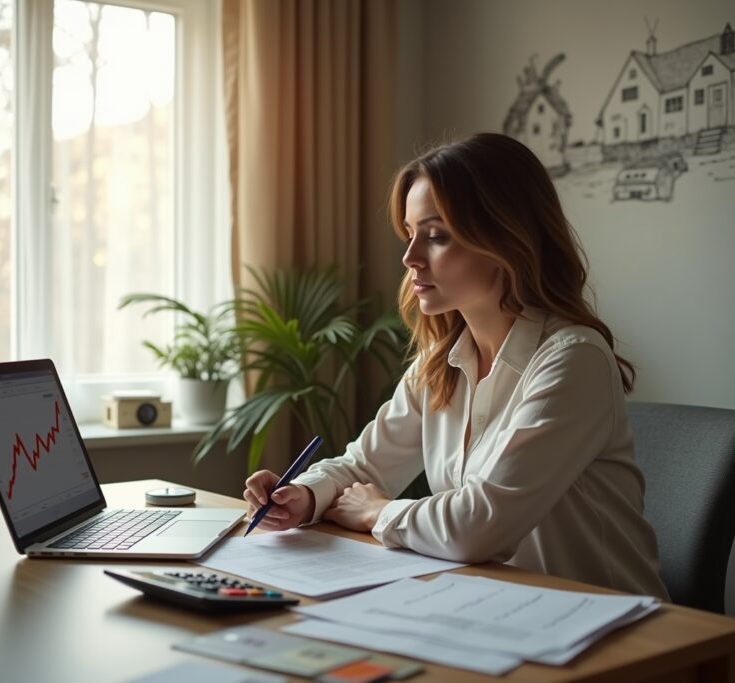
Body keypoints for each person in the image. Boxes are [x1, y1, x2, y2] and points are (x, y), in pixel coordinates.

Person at [243, 132, 669, 600]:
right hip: (492, 606)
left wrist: (378, 513)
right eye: (409, 235)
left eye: (437, 236)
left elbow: (480, 525)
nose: (410, 258)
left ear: (505, 238)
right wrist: (303, 496)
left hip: (605, 626)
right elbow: (365, 466)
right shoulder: (438, 364)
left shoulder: (573, 359)